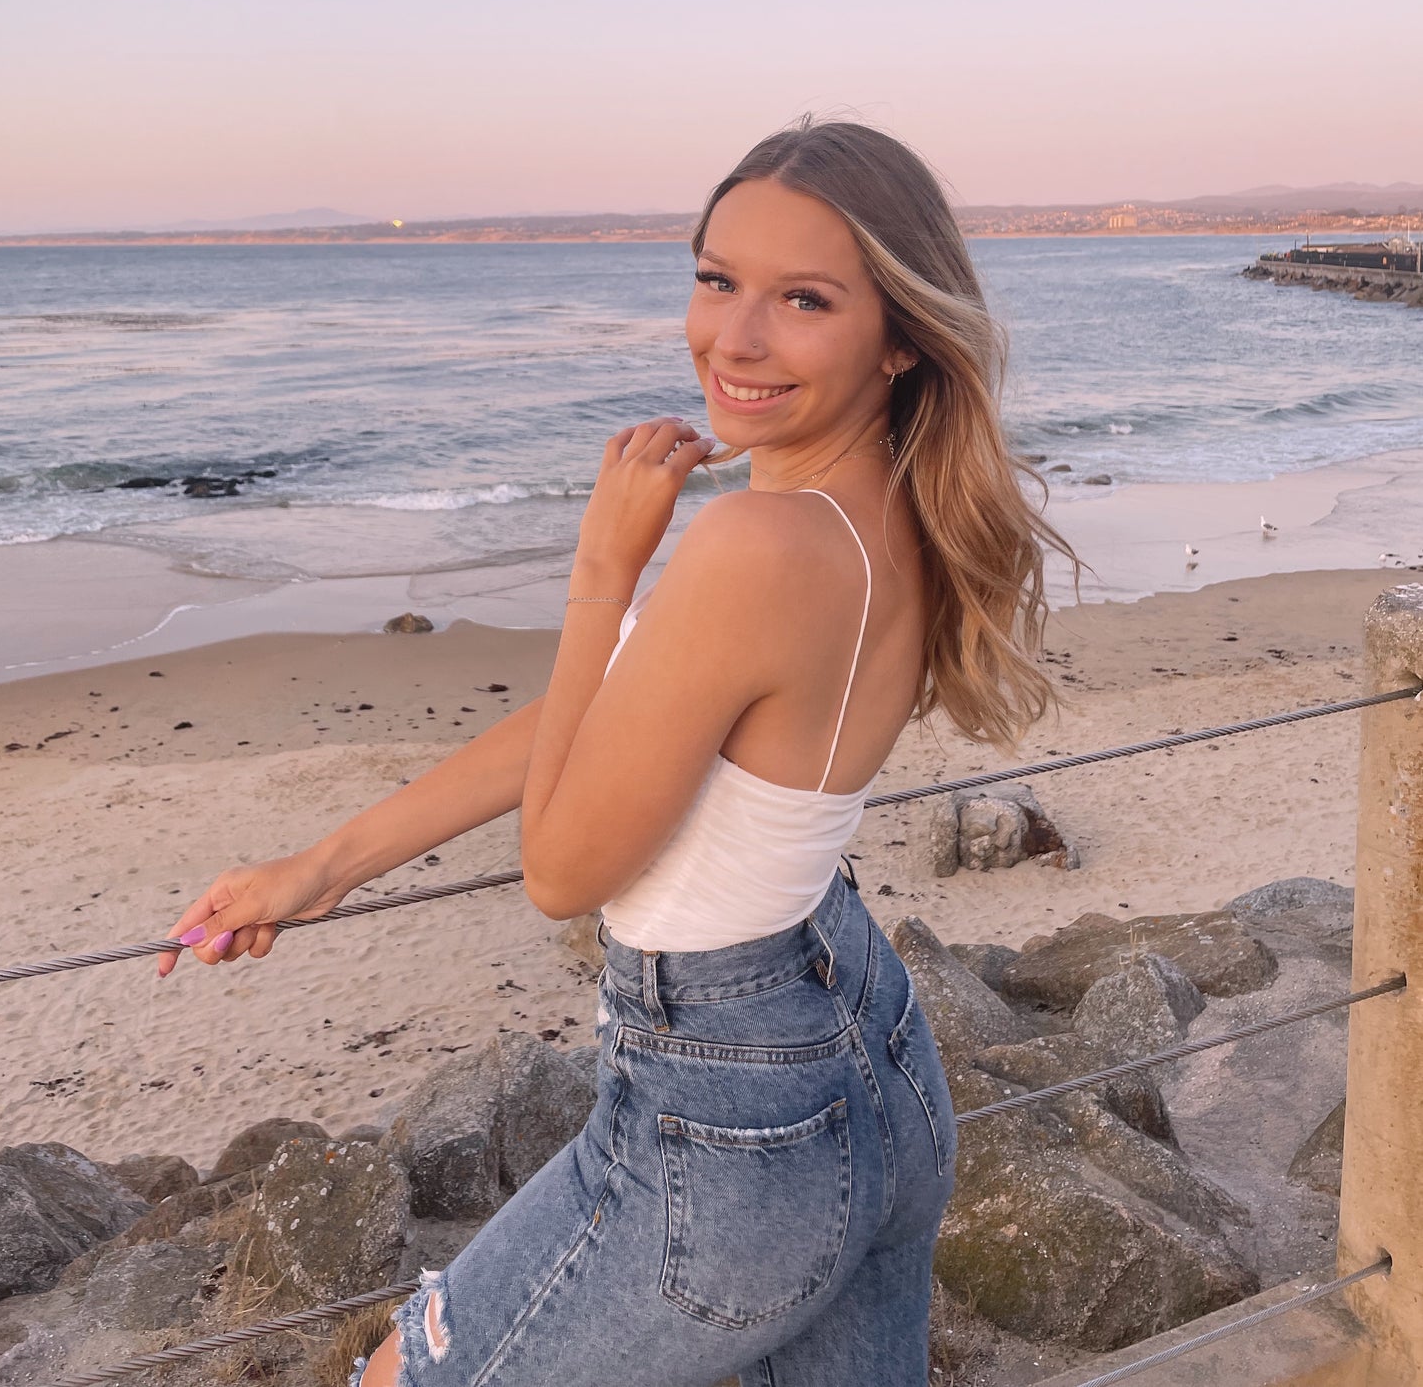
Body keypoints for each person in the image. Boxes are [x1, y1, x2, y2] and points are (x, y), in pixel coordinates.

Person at [162, 119, 1070, 1386]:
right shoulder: (891, 509)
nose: (733, 339)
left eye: (802, 299)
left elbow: (561, 866)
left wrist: (602, 569)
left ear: (901, 332)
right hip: (863, 1045)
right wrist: (323, 865)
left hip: (727, 1110)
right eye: (715, 280)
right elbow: (610, 723)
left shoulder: (757, 549)